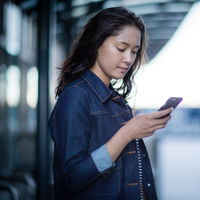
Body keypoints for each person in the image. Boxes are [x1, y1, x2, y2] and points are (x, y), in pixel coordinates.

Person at [48, 7, 173, 200]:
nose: (129, 59)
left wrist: (141, 128)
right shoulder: (76, 96)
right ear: (96, 44)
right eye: (121, 48)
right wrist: (127, 132)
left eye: (134, 51)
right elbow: (73, 177)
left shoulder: (113, 98)